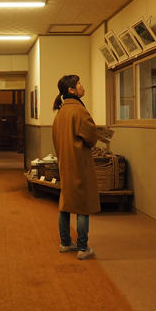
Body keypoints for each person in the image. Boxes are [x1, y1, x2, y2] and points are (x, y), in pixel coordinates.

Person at [51, 74, 100, 260]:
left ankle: (65, 243)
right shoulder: (80, 111)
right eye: (79, 84)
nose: (82, 86)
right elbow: (91, 138)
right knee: (82, 206)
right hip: (80, 164)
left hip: (65, 163)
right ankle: (83, 247)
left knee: (65, 204)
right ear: (71, 90)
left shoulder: (61, 112)